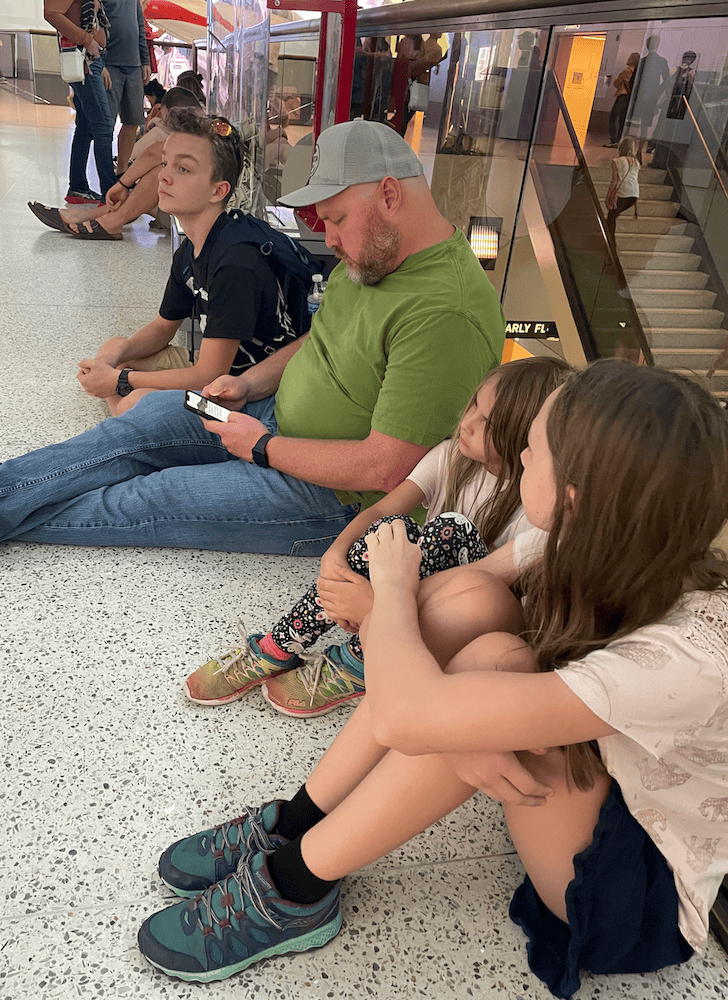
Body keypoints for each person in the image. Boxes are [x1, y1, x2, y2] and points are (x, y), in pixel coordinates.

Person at [136, 360, 728, 996]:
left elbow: (403, 709)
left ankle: (294, 887)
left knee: (459, 697)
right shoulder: (598, 539)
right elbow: (449, 607)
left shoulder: (687, 655)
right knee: (486, 633)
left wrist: (390, 589)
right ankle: (300, 817)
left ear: (575, 496)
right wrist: (427, 668)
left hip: (637, 891)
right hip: (602, 778)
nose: (520, 457)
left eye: (532, 456)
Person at [0, 119, 504, 556]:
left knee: (155, 497)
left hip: (329, 494)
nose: (328, 239)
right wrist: (249, 385)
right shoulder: (378, 258)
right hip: (268, 412)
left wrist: (261, 446)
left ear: (390, 196)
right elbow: (320, 339)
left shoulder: (445, 313)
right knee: (143, 422)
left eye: (337, 219)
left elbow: (386, 468)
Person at [184, 356, 569, 715]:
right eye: (474, 407)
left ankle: (358, 663)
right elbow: (383, 510)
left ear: (525, 436)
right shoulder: (452, 456)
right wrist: (335, 558)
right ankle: (279, 646)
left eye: (488, 422)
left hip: (470, 623)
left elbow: (478, 591)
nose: (467, 422)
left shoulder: (537, 508)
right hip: (406, 595)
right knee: (390, 529)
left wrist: (377, 602)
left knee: (450, 529)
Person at [27, 87, 202, 241]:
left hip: (191, 217)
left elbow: (153, 153)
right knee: (152, 177)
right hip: (192, 210)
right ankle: (92, 216)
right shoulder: (206, 139)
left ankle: (109, 222)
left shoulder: (181, 139)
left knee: (156, 175)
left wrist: (123, 184)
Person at [43, 0, 116, 204]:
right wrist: (86, 40)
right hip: (83, 59)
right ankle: (110, 194)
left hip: (89, 58)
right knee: (103, 125)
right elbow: (51, 13)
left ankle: (78, 187)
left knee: (85, 127)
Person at [103, 0, 151, 177]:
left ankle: (122, 172)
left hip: (133, 66)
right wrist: (100, 64)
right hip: (110, 64)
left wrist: (145, 61)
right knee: (106, 125)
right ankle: (106, 174)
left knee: (133, 121)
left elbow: (140, 27)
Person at [605, 136, 641, 240]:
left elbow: (614, 181)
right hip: (634, 194)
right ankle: (610, 242)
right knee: (613, 215)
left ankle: (611, 243)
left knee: (611, 217)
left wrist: (608, 196)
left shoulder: (616, 161)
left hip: (623, 193)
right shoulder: (636, 163)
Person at [604, 52, 639, 147]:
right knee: (622, 119)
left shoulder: (626, 71)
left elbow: (616, 83)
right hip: (629, 97)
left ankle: (613, 139)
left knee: (613, 117)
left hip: (622, 95)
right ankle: (620, 139)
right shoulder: (636, 72)